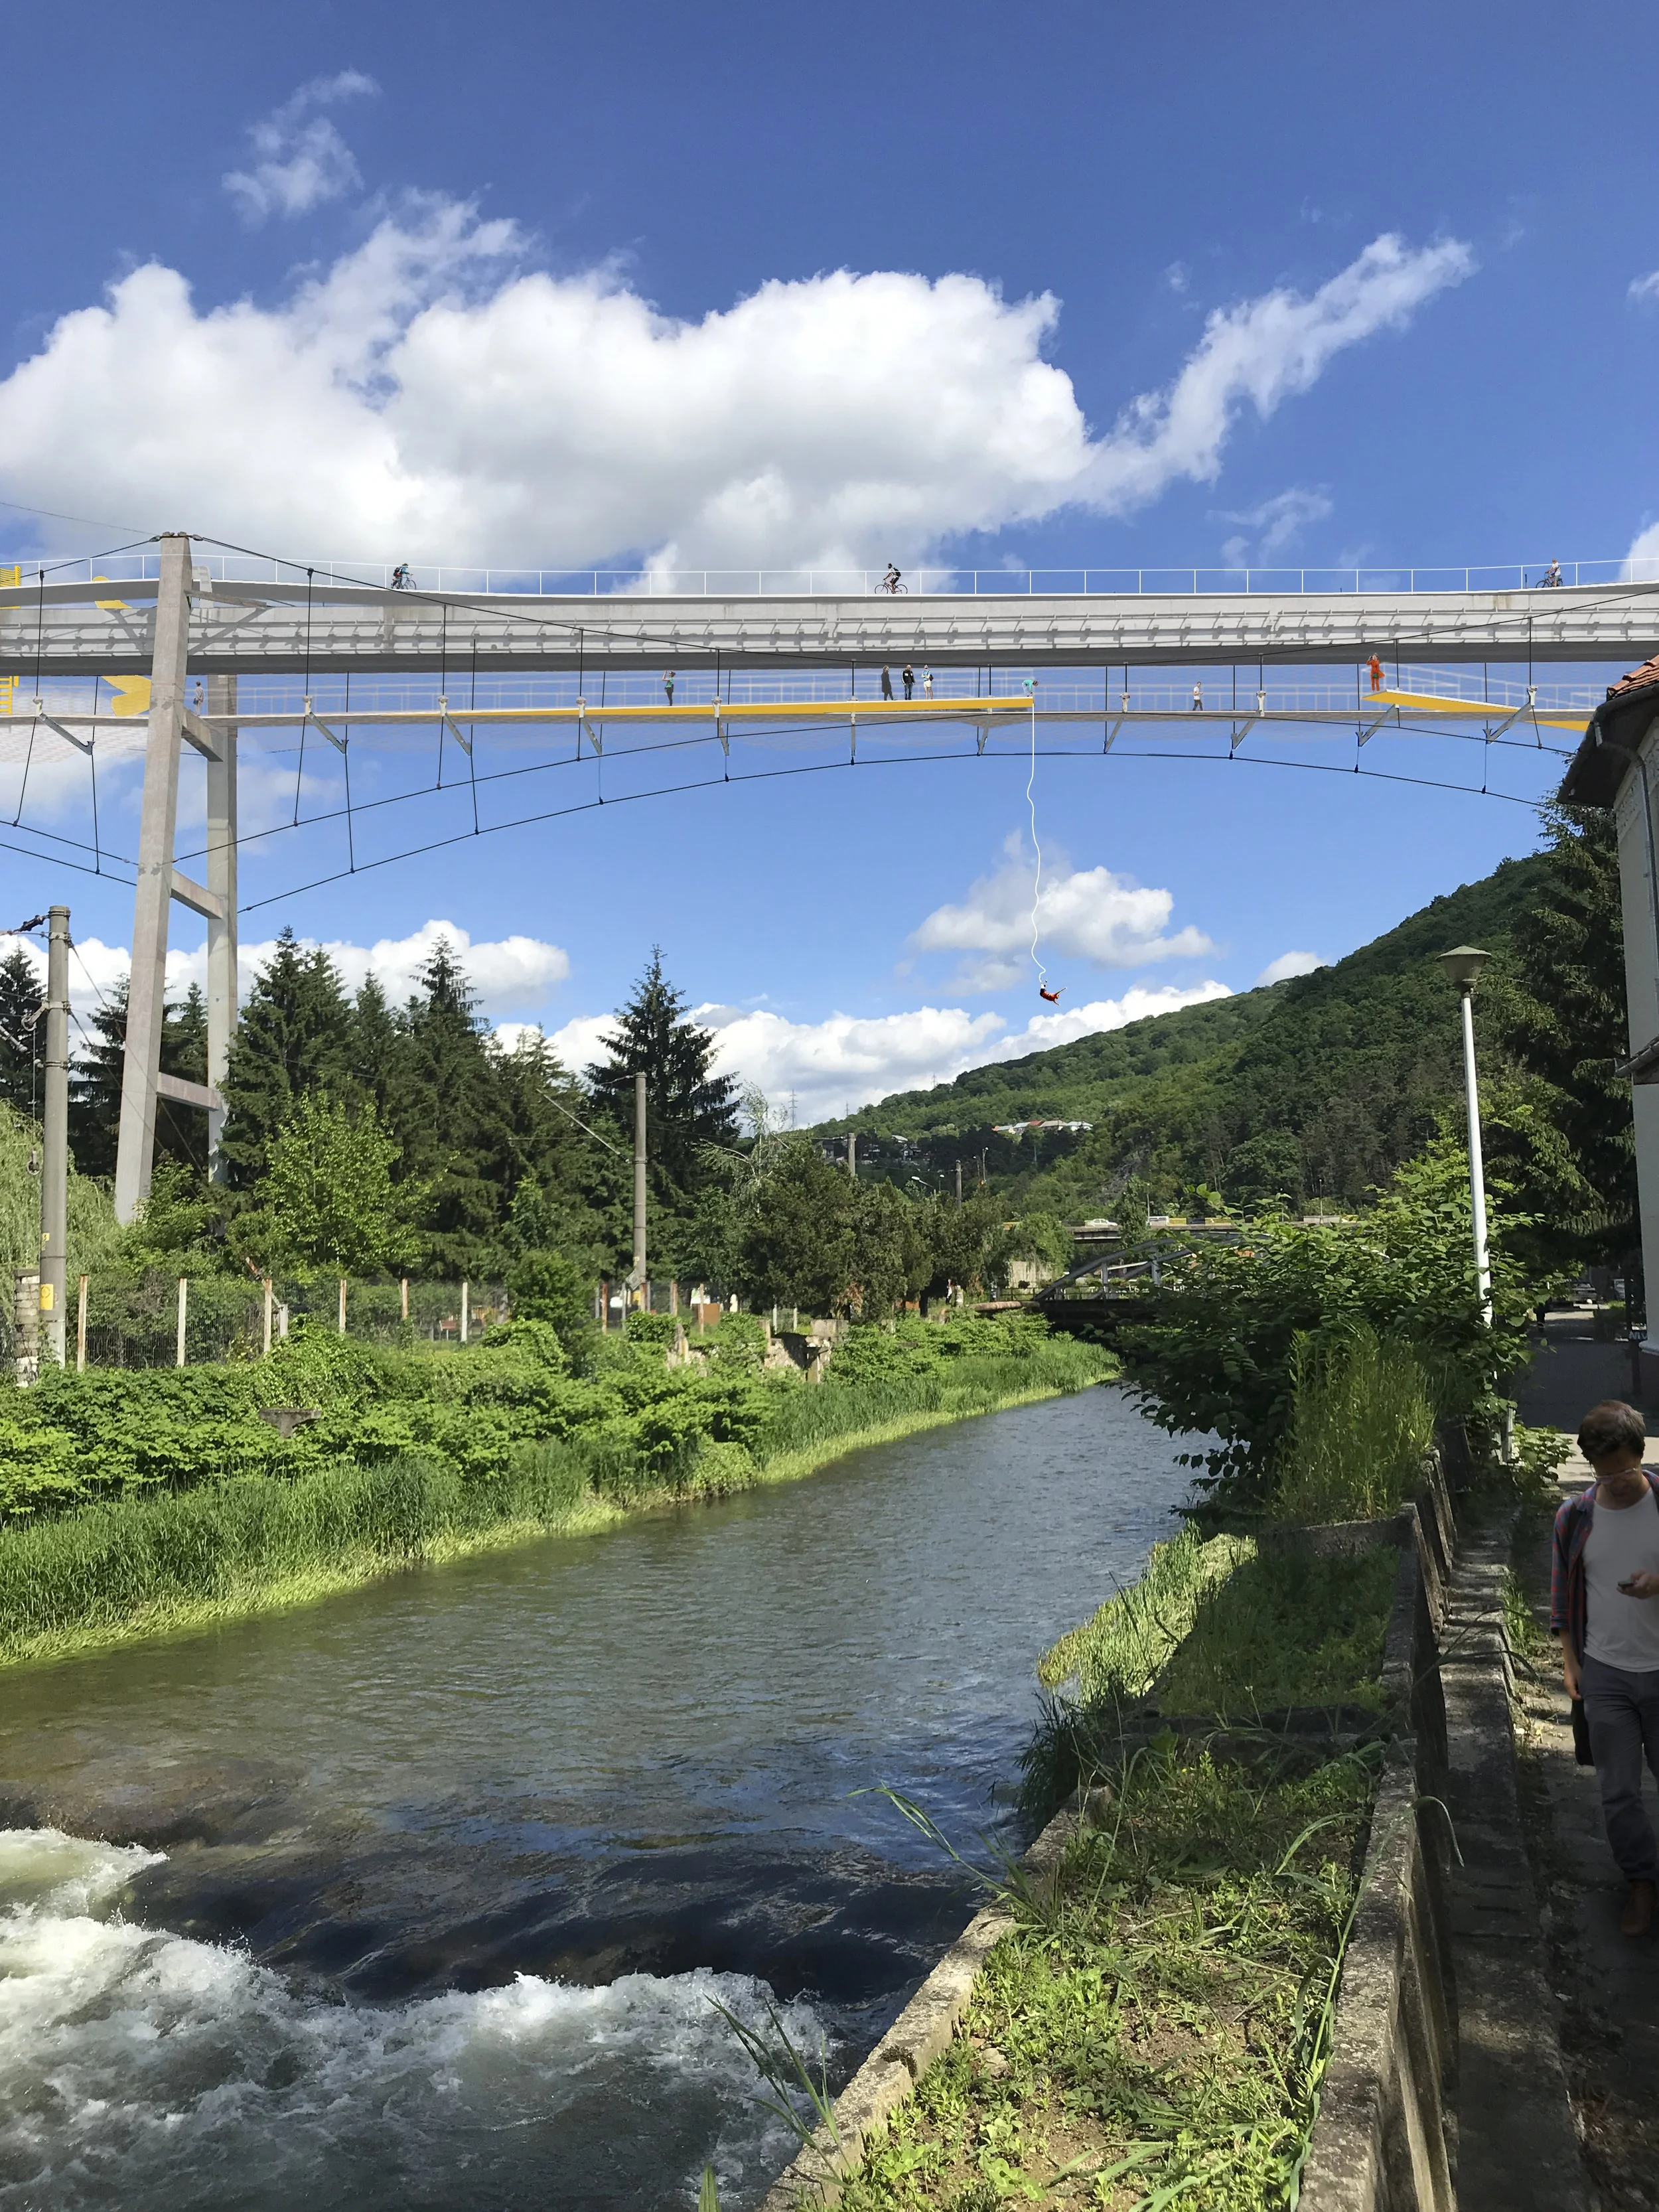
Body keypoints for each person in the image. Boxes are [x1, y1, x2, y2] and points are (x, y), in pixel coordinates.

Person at [1553, 1398, 1659, 1935]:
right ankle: (1641, 1882)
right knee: (1618, 1791)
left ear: (1642, 1453)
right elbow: (1563, 1601)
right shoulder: (1576, 1516)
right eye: (1603, 1473)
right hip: (1605, 1670)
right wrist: (1571, 1662)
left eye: (1623, 1468)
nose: (1614, 1481)